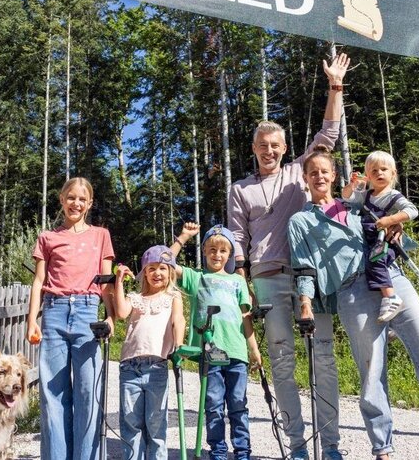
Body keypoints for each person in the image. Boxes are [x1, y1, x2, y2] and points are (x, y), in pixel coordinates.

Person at [288, 148, 419, 460]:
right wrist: (306, 302)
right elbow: (303, 266)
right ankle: (383, 450)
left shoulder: (359, 207)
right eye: (313, 173)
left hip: (392, 280)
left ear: (334, 176)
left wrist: (397, 229)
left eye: (325, 171)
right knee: (371, 370)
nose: (319, 176)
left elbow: (390, 224)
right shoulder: (301, 221)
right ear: (306, 179)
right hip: (351, 292)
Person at [225, 52, 350, 460]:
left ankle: (330, 446)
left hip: (310, 277)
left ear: (284, 148)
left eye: (275, 145)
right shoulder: (240, 189)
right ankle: (297, 447)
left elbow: (329, 134)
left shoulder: (299, 172)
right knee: (281, 362)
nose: (269, 151)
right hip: (264, 278)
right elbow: (237, 240)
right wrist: (241, 282)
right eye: (262, 146)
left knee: (325, 358)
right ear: (254, 148)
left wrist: (335, 85)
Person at [26, 177, 115, 460]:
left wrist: (111, 317)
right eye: (71, 197)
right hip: (54, 313)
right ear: (62, 200)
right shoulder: (47, 237)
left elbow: (106, 282)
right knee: (54, 395)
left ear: (89, 204)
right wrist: (32, 320)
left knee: (89, 393)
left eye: (82, 199)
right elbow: (39, 280)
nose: (76, 203)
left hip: (88, 313)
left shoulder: (101, 235)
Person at [168, 223, 261, 460]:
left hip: (236, 352)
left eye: (222, 251)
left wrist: (254, 350)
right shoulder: (197, 277)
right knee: (213, 405)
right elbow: (166, 263)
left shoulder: (237, 281)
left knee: (238, 405)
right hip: (210, 353)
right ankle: (217, 452)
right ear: (205, 252)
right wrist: (184, 236)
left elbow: (245, 318)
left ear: (229, 255)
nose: (216, 255)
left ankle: (242, 453)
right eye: (211, 250)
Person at [112, 246, 186, 460]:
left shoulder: (172, 297)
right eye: (151, 268)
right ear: (144, 272)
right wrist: (118, 281)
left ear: (170, 272)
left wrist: (178, 345)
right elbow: (122, 312)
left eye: (162, 268)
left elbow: (178, 321)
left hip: (156, 367)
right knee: (130, 422)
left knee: (155, 423)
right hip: (130, 368)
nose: (157, 273)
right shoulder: (136, 298)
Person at [340, 151, 419, 323]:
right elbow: (346, 197)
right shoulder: (366, 195)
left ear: (393, 173)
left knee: (376, 261)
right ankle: (391, 324)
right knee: (371, 268)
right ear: (367, 176)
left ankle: (391, 298)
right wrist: (352, 184)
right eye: (374, 171)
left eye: (384, 169)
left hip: (387, 241)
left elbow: (412, 210)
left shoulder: (393, 196)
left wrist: (392, 219)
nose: (379, 173)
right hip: (370, 240)